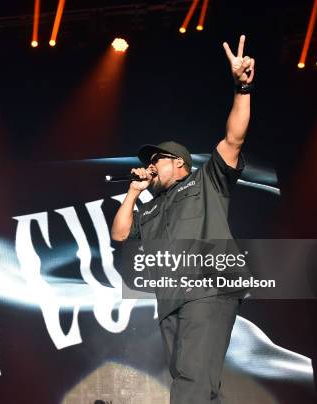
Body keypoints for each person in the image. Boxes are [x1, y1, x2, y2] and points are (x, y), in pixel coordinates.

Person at [111, 35, 255, 403]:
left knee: (190, 383)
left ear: (179, 163)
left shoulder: (206, 180)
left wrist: (242, 87)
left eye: (156, 159)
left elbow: (234, 139)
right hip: (170, 298)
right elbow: (121, 235)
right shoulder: (150, 206)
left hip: (208, 287)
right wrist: (132, 194)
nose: (150, 166)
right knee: (200, 385)